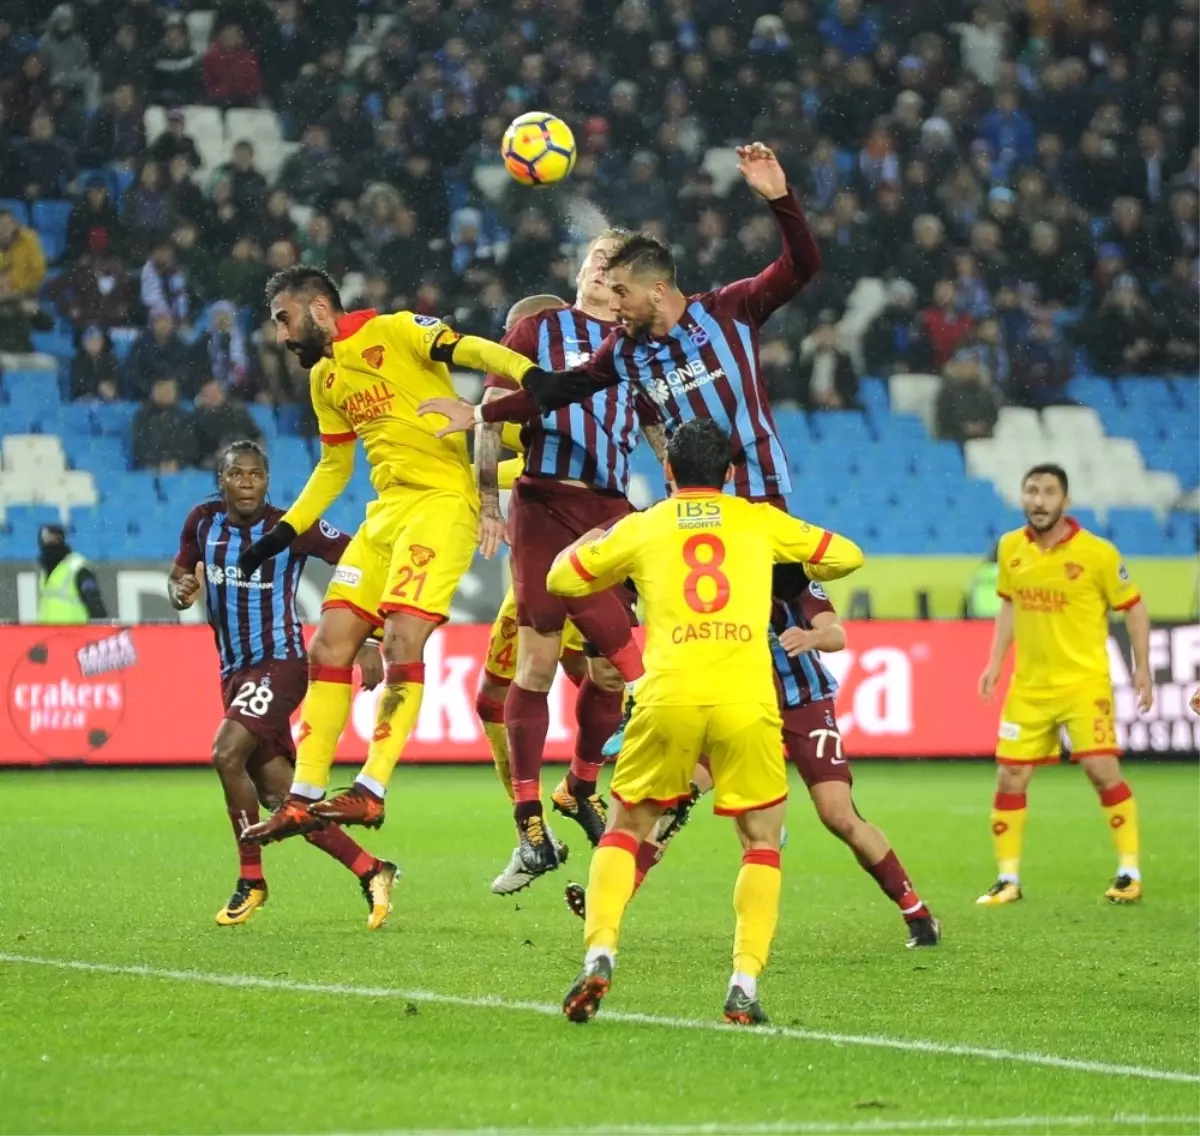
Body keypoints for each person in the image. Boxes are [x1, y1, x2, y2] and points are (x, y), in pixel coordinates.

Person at [424, 142, 823, 754]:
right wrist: (481, 410)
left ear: (656, 290)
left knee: (782, 631)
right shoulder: (627, 350)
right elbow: (560, 390)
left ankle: (794, 749)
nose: (615, 305)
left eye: (623, 294)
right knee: (693, 634)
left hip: (758, 499)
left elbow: (801, 266)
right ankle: (692, 762)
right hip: (689, 507)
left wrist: (779, 199)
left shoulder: (733, 310)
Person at [548, 420, 864, 1025]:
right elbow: (848, 555)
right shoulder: (757, 521)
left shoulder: (643, 526)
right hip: (746, 700)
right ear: (728, 474)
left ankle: (600, 953)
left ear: (668, 471)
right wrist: (790, 560)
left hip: (667, 696)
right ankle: (744, 982)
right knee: (760, 842)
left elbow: (563, 579)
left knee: (626, 827)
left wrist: (579, 543)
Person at [233, 266, 551, 845]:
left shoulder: (397, 331)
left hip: (442, 505)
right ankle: (304, 795)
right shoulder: (325, 380)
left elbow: (475, 349)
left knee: (403, 639)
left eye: (284, 319)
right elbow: (334, 468)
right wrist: (282, 534)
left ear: (319, 310)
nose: (280, 335)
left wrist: (533, 376)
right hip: (385, 515)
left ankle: (371, 790)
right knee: (328, 644)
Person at [566, 567, 940, 950]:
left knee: (838, 814)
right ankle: (609, 904)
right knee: (674, 801)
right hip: (739, 707)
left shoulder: (790, 573)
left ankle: (917, 912)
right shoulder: (710, 569)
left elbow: (836, 634)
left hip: (801, 703)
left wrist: (810, 637)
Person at [475, 240, 665, 890]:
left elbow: (658, 429)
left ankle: (579, 786)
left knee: (609, 671)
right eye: (596, 257)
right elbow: (491, 411)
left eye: (617, 263)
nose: (604, 268)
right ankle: (529, 819)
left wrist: (687, 492)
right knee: (536, 662)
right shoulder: (538, 328)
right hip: (540, 502)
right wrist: (486, 502)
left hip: (609, 513)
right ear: (582, 272)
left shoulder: (633, 349)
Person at [168, 440, 396, 928]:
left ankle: (251, 879)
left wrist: (368, 636)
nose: (247, 482)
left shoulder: (291, 526)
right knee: (281, 799)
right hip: (233, 671)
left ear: (267, 482)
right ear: (222, 481)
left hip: (281, 662)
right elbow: (179, 575)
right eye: (237, 474)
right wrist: (181, 590)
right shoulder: (202, 522)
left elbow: (360, 560)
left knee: (225, 753)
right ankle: (372, 869)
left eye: (255, 474)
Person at [977, 464, 1152, 906]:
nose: (1038, 500)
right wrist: (995, 661)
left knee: (1100, 769)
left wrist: (1142, 666)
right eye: (1031, 490)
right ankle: (1007, 880)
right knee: (1010, 776)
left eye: (1049, 492)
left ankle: (1129, 873)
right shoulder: (1010, 547)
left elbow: (1133, 607)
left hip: (1082, 683)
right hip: (1029, 686)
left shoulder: (1098, 554)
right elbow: (1009, 606)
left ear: (1065, 501)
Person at [37, 524, 107, 623]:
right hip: (49, 635)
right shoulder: (45, 571)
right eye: (45, 539)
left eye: (52, 539)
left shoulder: (78, 568)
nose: (48, 543)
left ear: (61, 539)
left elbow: (97, 608)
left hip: (75, 635)